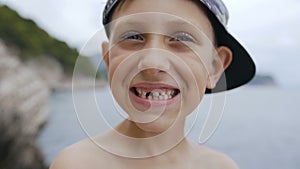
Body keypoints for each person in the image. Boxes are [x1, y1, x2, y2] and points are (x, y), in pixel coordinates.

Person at [50, 0, 255, 168]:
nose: (152, 63)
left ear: (214, 67)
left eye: (181, 38)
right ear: (109, 59)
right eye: (133, 37)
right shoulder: (77, 164)